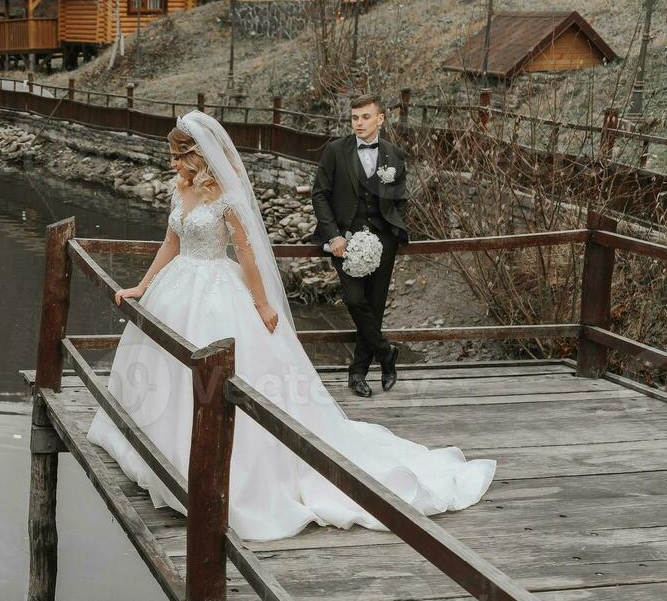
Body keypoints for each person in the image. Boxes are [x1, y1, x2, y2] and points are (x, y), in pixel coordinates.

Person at [84, 110, 494, 543]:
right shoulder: (180, 188)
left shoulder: (225, 194)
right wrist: (142, 286)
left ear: (196, 156)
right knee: (166, 371)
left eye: (175, 157)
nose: (170, 164)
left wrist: (260, 305)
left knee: (227, 376)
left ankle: (226, 467)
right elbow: (171, 241)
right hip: (177, 287)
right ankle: (160, 452)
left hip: (217, 292)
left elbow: (246, 255)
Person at [311, 94, 409, 397]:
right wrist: (334, 236)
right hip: (345, 241)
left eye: (365, 117)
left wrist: (392, 231)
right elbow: (320, 195)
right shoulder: (335, 151)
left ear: (380, 119)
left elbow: (401, 200)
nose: (359, 123)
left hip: (384, 242)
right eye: (355, 117)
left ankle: (357, 374)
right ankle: (387, 353)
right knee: (354, 300)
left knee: (375, 306)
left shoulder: (394, 154)